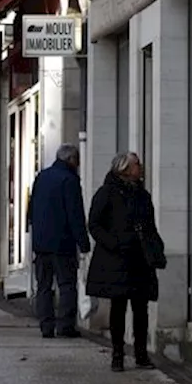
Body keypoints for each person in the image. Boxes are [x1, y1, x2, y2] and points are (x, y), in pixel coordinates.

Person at [86, 152, 166, 372]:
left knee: (141, 308)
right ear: (124, 168)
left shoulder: (143, 195)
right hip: (117, 259)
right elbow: (94, 224)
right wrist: (114, 243)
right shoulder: (107, 193)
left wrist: (156, 248)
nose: (141, 168)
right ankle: (118, 354)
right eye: (136, 164)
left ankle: (141, 354)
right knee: (118, 307)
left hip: (140, 259)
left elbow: (150, 226)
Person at [27, 143, 90, 338]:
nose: (78, 164)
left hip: (41, 243)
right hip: (63, 243)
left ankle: (46, 326)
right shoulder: (69, 180)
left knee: (44, 286)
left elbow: (31, 210)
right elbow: (75, 215)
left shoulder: (42, 177)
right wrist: (83, 242)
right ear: (71, 160)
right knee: (66, 284)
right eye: (77, 160)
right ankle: (65, 325)